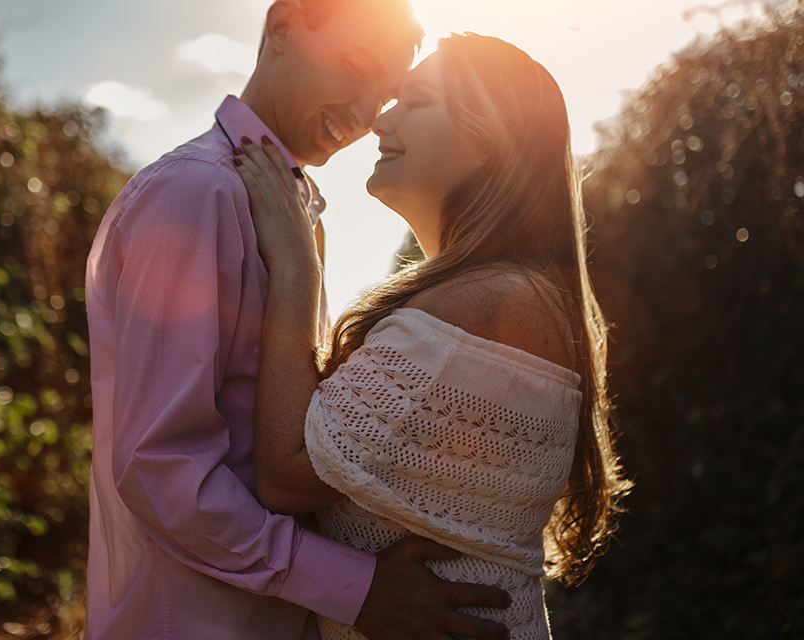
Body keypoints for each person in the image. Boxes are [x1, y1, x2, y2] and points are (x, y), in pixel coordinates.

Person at [83, 2, 513, 638]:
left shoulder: (284, 207)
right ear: (282, 29)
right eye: (353, 67)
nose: (367, 113)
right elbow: (162, 468)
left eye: (388, 92)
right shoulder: (198, 193)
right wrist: (357, 589)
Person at [232, 32, 631, 639]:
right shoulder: (514, 292)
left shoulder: (486, 304)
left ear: (485, 138)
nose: (380, 121)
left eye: (414, 102)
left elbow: (286, 474)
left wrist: (295, 271)